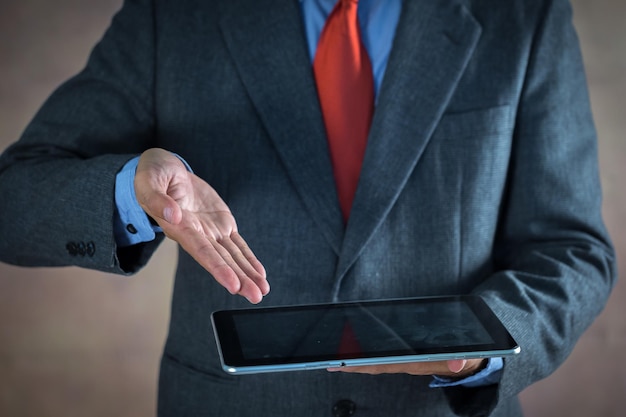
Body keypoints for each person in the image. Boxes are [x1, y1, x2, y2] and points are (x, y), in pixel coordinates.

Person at [0, 0, 616, 416]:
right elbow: (14, 199)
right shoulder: (175, 15)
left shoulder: (523, 16)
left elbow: (571, 248)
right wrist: (131, 188)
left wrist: (482, 345)